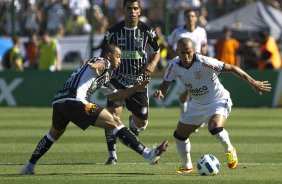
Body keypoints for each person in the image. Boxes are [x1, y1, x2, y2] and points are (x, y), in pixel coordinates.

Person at [19, 43, 168, 175]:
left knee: (53, 135)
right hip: (75, 100)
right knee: (115, 121)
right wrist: (98, 65)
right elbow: (100, 63)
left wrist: (137, 88)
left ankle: (29, 166)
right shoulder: (103, 62)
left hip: (60, 101)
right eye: (118, 56)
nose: (120, 60)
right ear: (110, 55)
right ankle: (147, 154)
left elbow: (116, 95)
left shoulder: (104, 76)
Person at [154, 38, 271, 173]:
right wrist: (161, 90)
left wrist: (253, 82)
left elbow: (232, 68)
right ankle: (187, 166)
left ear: (194, 51)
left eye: (189, 53)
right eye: (182, 53)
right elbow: (165, 83)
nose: (186, 56)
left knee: (214, 126)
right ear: (177, 52)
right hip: (197, 104)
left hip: (218, 100)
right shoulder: (173, 65)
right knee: (179, 135)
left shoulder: (204, 62)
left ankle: (229, 149)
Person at [101, 0, 161, 165]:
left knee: (141, 123)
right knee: (111, 117)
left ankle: (133, 124)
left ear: (140, 11)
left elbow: (157, 52)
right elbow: (104, 55)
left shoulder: (147, 31)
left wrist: (151, 65)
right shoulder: (113, 32)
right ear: (123, 10)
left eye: (135, 8)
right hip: (117, 80)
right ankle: (112, 155)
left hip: (138, 83)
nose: (132, 12)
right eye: (129, 8)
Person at [167, 8, 208, 114]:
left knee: (200, 92)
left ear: (197, 18)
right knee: (184, 92)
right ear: (184, 18)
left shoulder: (201, 31)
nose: (190, 18)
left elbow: (204, 46)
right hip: (183, 65)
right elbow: (169, 47)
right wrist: (178, 58)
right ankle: (184, 116)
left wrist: (204, 53)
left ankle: (199, 117)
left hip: (198, 65)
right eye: (188, 16)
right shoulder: (177, 32)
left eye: (192, 16)